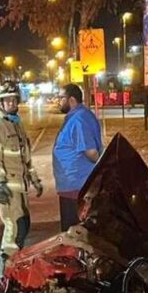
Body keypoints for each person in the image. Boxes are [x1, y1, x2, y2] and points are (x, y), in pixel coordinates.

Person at [0, 81, 42, 259]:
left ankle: (16, 264)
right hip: (8, 188)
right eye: (6, 100)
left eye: (13, 99)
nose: (11, 103)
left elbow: (25, 157)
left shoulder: (17, 125)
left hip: (20, 188)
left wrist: (35, 180)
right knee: (15, 228)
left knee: (23, 224)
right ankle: (8, 271)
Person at [52, 83, 102, 231]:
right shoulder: (77, 117)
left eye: (61, 98)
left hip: (77, 186)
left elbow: (92, 152)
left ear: (72, 100)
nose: (58, 101)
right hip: (73, 184)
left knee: (74, 232)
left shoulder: (79, 120)